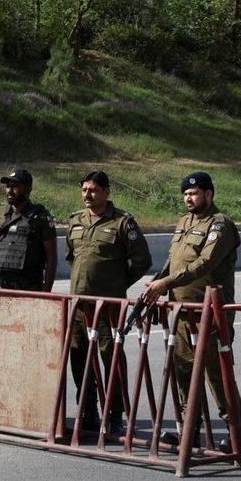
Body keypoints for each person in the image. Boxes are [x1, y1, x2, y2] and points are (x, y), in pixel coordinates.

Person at [142, 171, 241, 452]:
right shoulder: (184, 222)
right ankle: (190, 429)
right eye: (186, 194)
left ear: (208, 194)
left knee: (216, 372)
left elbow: (205, 263)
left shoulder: (220, 225)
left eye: (194, 193)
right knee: (184, 369)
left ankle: (235, 431)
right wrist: (157, 282)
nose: (188, 198)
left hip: (209, 312)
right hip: (182, 311)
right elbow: (173, 260)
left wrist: (166, 283)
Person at [66, 170, 152, 436]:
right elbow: (72, 257)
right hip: (80, 304)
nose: (87, 195)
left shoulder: (122, 222)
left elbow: (142, 260)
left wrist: (117, 284)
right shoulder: (76, 220)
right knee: (79, 356)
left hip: (108, 306)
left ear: (106, 191)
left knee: (110, 357)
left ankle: (115, 414)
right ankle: (88, 410)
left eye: (93, 190)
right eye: (84, 190)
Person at [0, 168, 57, 292]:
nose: (10, 190)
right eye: (8, 186)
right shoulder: (2, 214)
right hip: (4, 287)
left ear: (28, 190)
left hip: (31, 288)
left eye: (15, 186)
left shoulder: (41, 217)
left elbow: (51, 258)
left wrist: (46, 293)